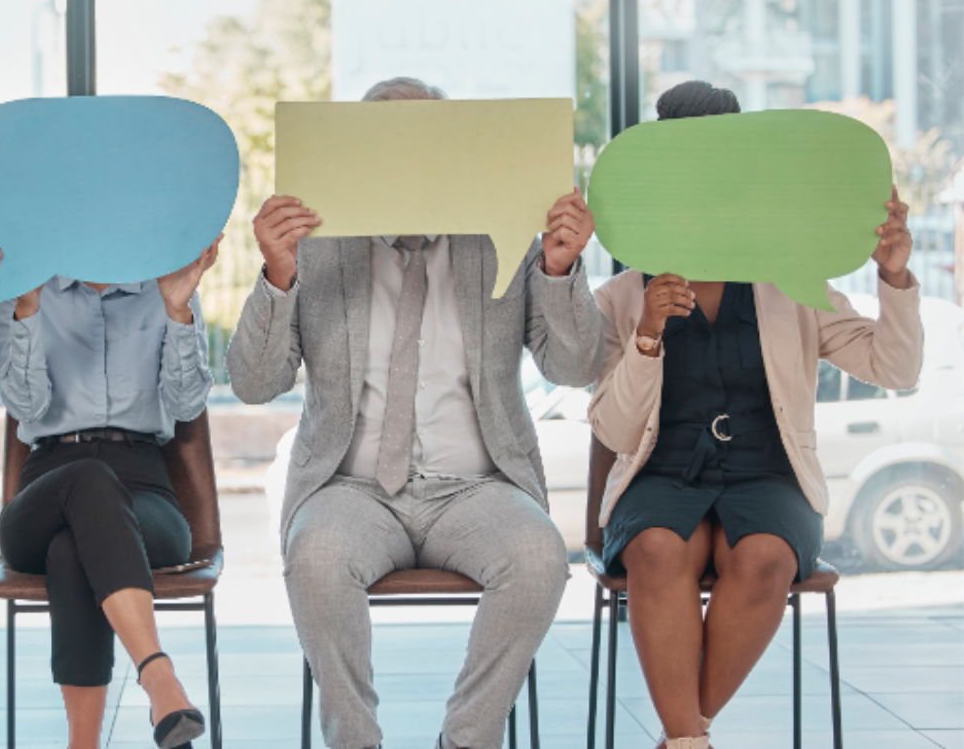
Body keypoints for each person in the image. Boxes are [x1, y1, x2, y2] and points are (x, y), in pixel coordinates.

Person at [227, 76, 604, 749]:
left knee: (539, 555)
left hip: (478, 487)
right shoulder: (316, 243)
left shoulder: (500, 233)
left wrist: (559, 270)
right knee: (314, 556)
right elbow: (255, 383)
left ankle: (466, 739)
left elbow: (574, 368)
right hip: (352, 488)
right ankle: (355, 741)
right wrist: (276, 274)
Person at [587, 80, 924, 749]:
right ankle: (691, 740)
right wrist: (649, 332)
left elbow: (897, 369)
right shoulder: (625, 295)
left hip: (768, 474)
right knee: (657, 548)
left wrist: (893, 278)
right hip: (661, 474)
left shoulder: (789, 281)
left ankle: (684, 735)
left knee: (765, 556)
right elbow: (616, 432)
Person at [0, 231, 220, 749]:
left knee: (73, 549)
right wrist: (25, 305)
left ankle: (82, 744)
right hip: (47, 486)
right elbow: (25, 406)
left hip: (144, 489)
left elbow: (186, 405)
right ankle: (158, 677)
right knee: (86, 483)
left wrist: (177, 309)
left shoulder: (166, 284)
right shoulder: (24, 286)